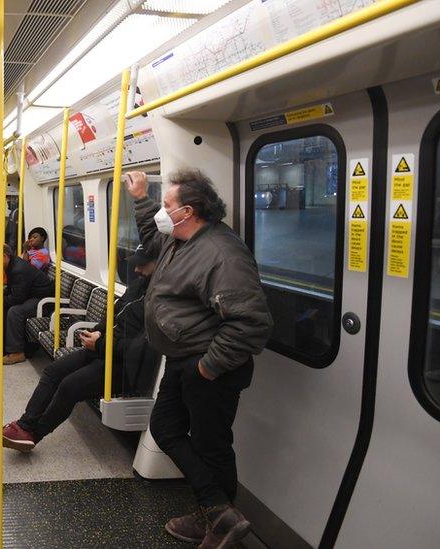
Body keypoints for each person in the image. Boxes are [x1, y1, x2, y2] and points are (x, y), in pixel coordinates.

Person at [126, 169, 273, 548]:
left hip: (210, 366)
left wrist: (207, 366)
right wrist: (141, 199)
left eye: (166, 205)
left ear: (187, 211)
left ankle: (219, 522)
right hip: (182, 359)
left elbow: (251, 323)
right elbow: (151, 234)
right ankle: (217, 511)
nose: (162, 212)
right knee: (167, 428)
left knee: (212, 445)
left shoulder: (221, 255)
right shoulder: (179, 239)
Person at [0, 236, 161, 450]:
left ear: (161, 263)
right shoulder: (138, 286)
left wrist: (99, 344)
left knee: (69, 386)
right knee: (53, 371)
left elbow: (140, 349)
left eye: (143, 264)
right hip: (103, 347)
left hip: (124, 364)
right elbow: (113, 315)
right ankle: (25, 425)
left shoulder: (161, 302)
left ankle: (35, 434)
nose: (136, 269)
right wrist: (96, 332)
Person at [0, 244, 55, 365]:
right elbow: (13, 289)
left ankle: (17, 353)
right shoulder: (12, 264)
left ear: (4, 256)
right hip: (31, 295)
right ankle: (3, 345)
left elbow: (16, 299)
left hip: (44, 300)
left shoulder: (17, 269)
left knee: (15, 311)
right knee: (4, 303)